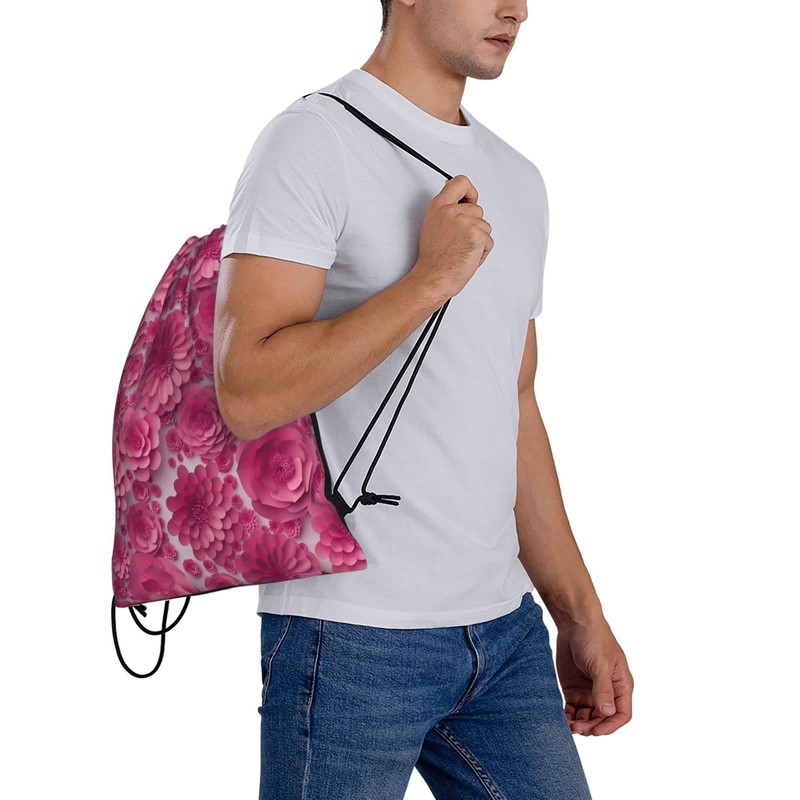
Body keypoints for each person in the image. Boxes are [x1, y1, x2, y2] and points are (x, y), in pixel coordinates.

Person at [214, 1, 633, 797]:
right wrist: (431, 279)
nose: (517, 9)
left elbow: (515, 406)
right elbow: (247, 390)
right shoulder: (313, 140)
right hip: (350, 634)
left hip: (503, 637)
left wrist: (579, 613)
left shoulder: (518, 178)